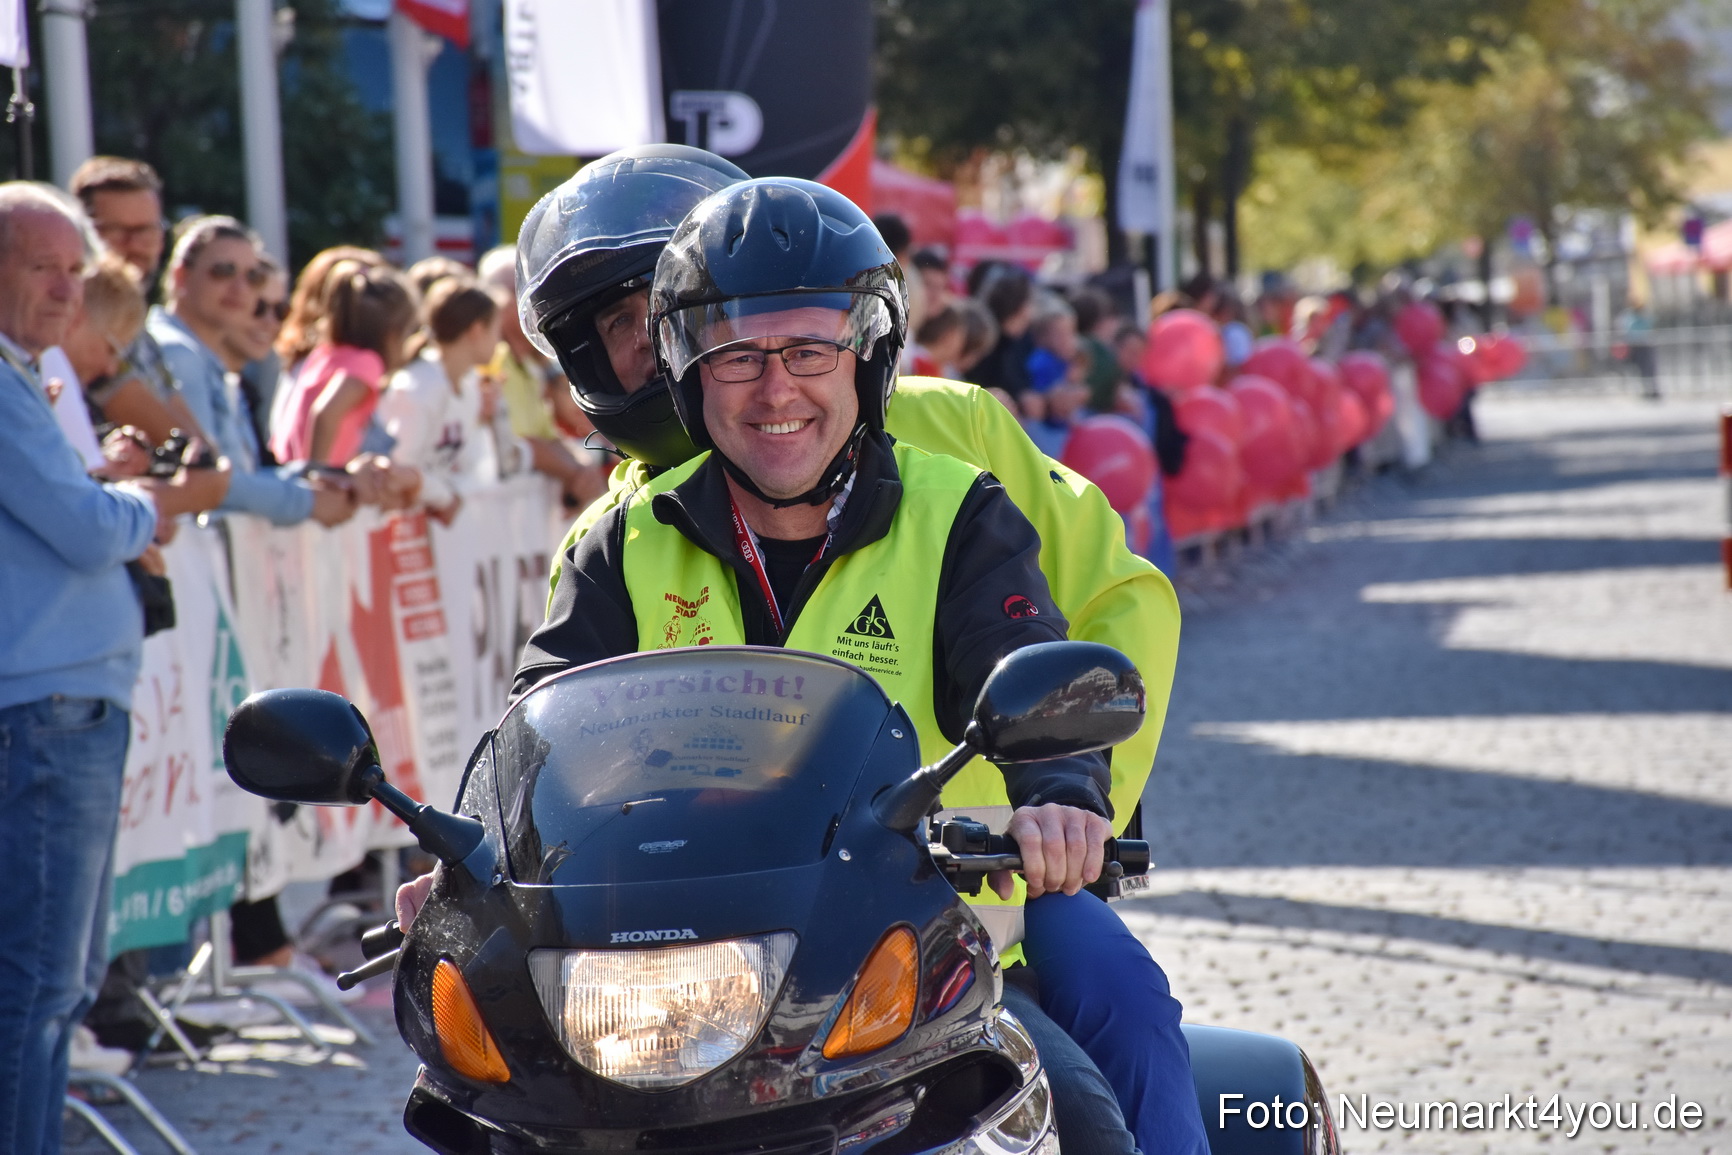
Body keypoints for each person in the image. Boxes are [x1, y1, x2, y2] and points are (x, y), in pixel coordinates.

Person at [508, 165, 1200, 1155]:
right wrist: (475, 856)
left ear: (864, 357)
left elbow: (1032, 642)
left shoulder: (953, 483)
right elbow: (543, 720)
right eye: (737, 353)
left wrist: (1066, 801)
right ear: (683, 362)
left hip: (930, 911)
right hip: (689, 954)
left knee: (1105, 1052)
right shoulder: (619, 536)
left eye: (807, 350)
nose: (777, 386)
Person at [0, 183, 227, 1155]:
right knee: (40, 983)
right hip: (47, 706)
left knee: (61, 982)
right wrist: (144, 502)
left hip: (70, 701)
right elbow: (87, 528)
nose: (64, 290)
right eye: (41, 267)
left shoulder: (21, 376)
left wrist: (121, 498)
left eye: (72, 269)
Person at [149, 215, 354, 527]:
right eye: (223, 271)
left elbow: (238, 475)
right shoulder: (178, 353)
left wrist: (318, 478)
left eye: (253, 276)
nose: (240, 288)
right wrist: (309, 500)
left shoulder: (208, 360)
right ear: (180, 277)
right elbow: (207, 482)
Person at [69, 156, 205, 445]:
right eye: (115, 231)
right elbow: (185, 448)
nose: (134, 245)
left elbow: (199, 448)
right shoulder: (77, 322)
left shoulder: (140, 332)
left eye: (146, 231)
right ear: (81, 234)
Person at [376, 277, 525, 524]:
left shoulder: (469, 386)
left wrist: (447, 496)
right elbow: (397, 469)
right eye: (496, 331)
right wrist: (443, 497)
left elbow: (476, 468)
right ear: (477, 330)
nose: (500, 343)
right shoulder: (418, 387)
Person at [475, 245, 603, 507]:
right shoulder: (487, 364)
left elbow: (549, 438)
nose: (532, 303)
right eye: (521, 292)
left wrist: (583, 467)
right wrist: (577, 472)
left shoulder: (530, 365)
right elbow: (519, 446)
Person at [269, 262, 418, 468]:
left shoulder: (327, 353)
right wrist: (318, 474)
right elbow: (326, 412)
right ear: (393, 335)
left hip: (287, 466)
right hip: (311, 480)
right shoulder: (367, 363)